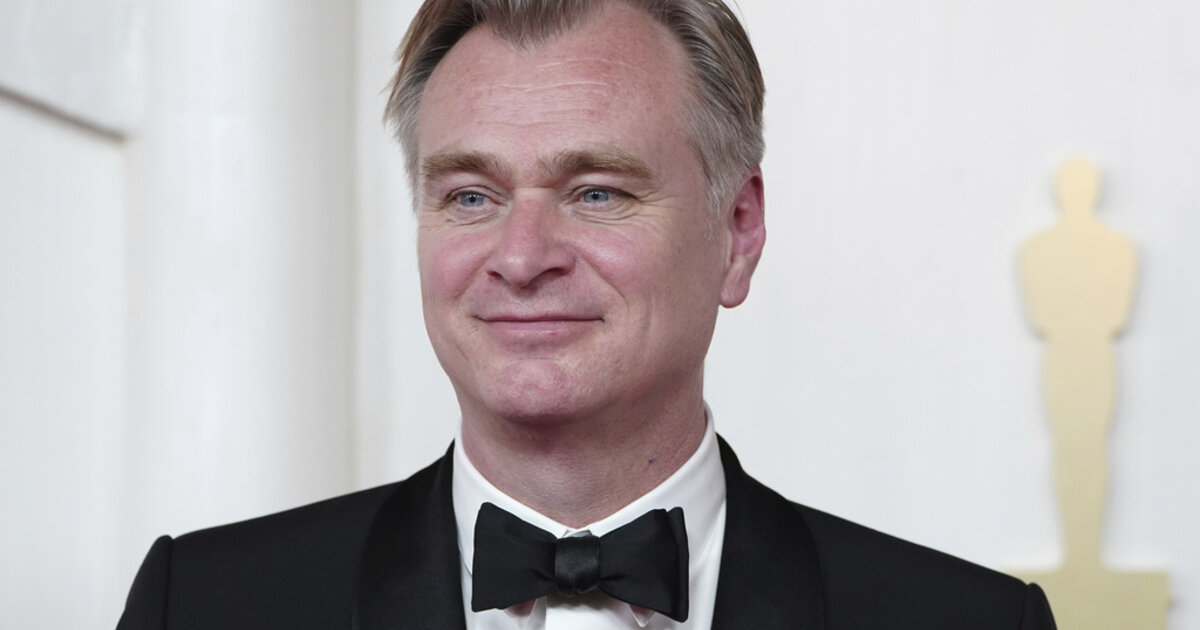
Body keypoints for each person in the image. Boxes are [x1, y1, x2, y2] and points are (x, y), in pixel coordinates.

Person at [117, 1, 1056, 628]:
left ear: (737, 232)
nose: (522, 258)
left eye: (597, 192)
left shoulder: (970, 623)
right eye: (471, 196)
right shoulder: (201, 608)